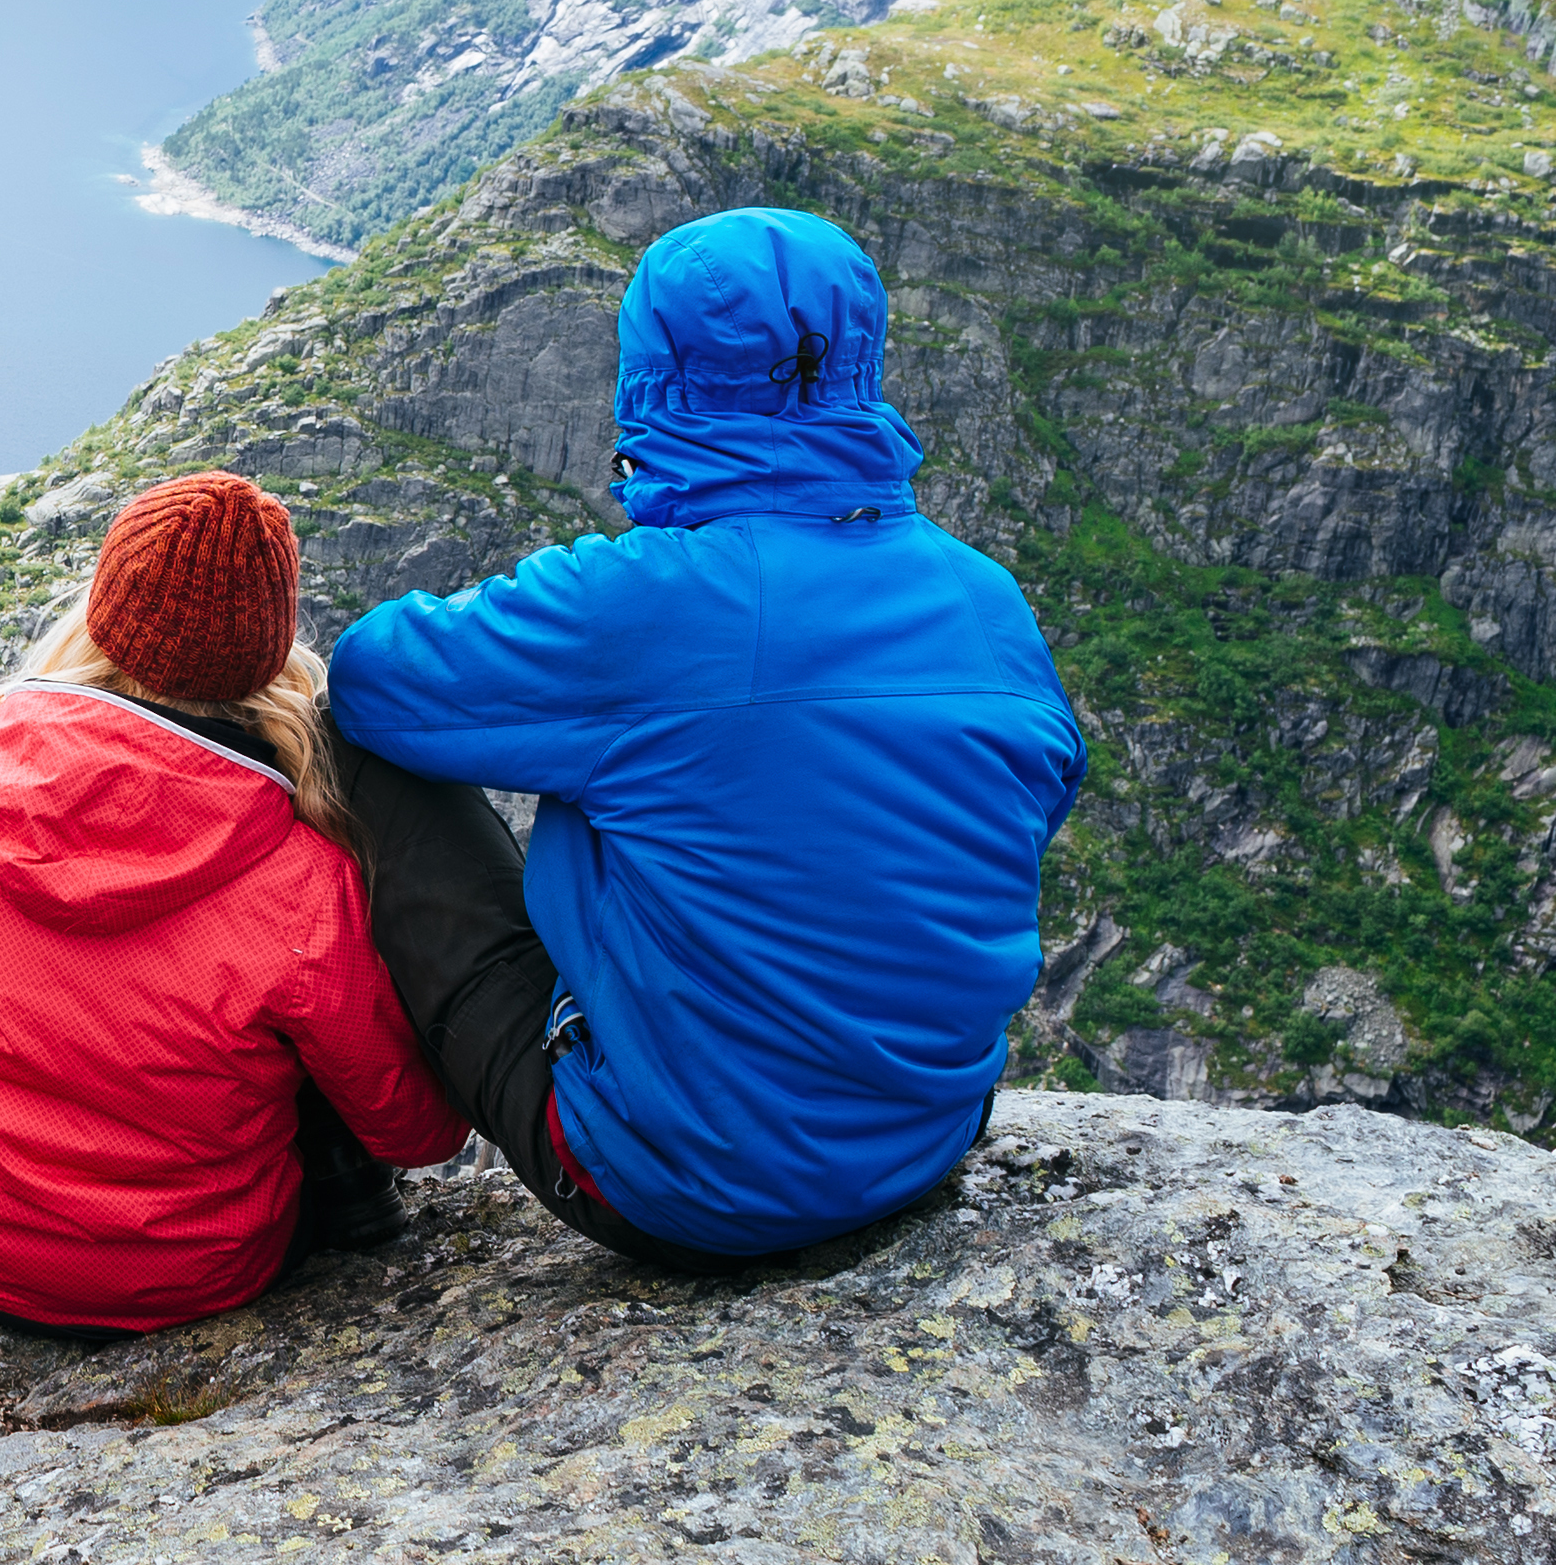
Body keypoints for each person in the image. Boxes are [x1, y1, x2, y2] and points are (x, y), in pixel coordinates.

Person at [321, 205, 1085, 1272]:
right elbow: (1035, 796)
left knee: (363, 750)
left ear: (652, 373)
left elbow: (372, 678)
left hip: (682, 1185)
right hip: (927, 1138)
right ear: (860, 357)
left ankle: (324, 1176)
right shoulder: (985, 597)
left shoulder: (647, 599)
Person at [0, 470, 468, 1337]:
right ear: (270, 654)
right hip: (193, 1273)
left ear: (106, 612)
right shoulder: (303, 882)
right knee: (309, 1063)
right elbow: (413, 1125)